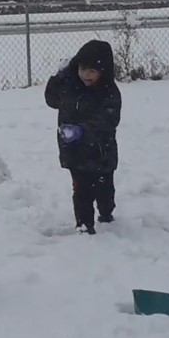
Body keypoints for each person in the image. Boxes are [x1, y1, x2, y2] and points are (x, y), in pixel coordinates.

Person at [44, 39, 122, 234]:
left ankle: (106, 212)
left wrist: (83, 131)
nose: (85, 75)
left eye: (92, 71)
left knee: (104, 189)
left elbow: (107, 121)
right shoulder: (70, 85)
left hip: (101, 152)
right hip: (75, 152)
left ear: (103, 72)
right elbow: (51, 100)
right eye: (82, 69)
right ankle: (84, 224)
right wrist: (58, 77)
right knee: (81, 190)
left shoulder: (109, 93)